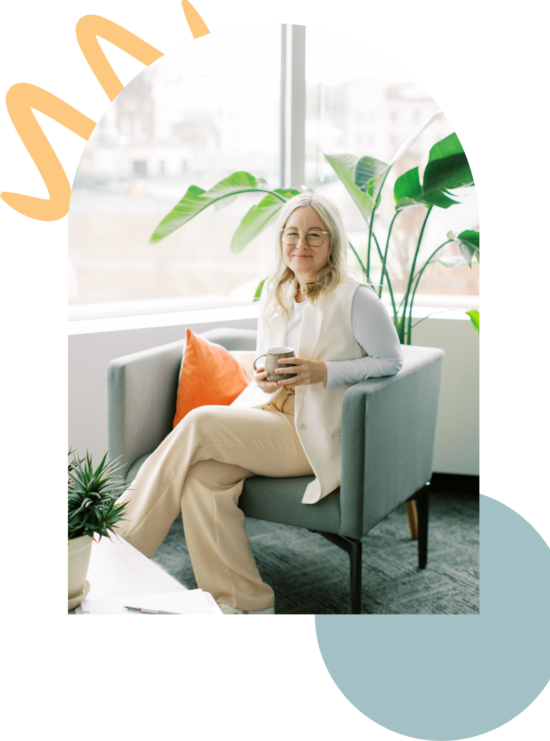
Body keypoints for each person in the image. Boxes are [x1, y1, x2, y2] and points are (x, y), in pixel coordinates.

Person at [112, 193, 404, 615]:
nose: (300, 244)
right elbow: (264, 361)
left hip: (313, 433)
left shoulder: (356, 298)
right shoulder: (277, 290)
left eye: (314, 235)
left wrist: (326, 373)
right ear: (281, 240)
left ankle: (117, 547)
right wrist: (263, 377)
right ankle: (244, 603)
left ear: (332, 242)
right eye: (292, 233)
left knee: (199, 423)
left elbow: (392, 361)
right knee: (203, 479)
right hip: (269, 414)